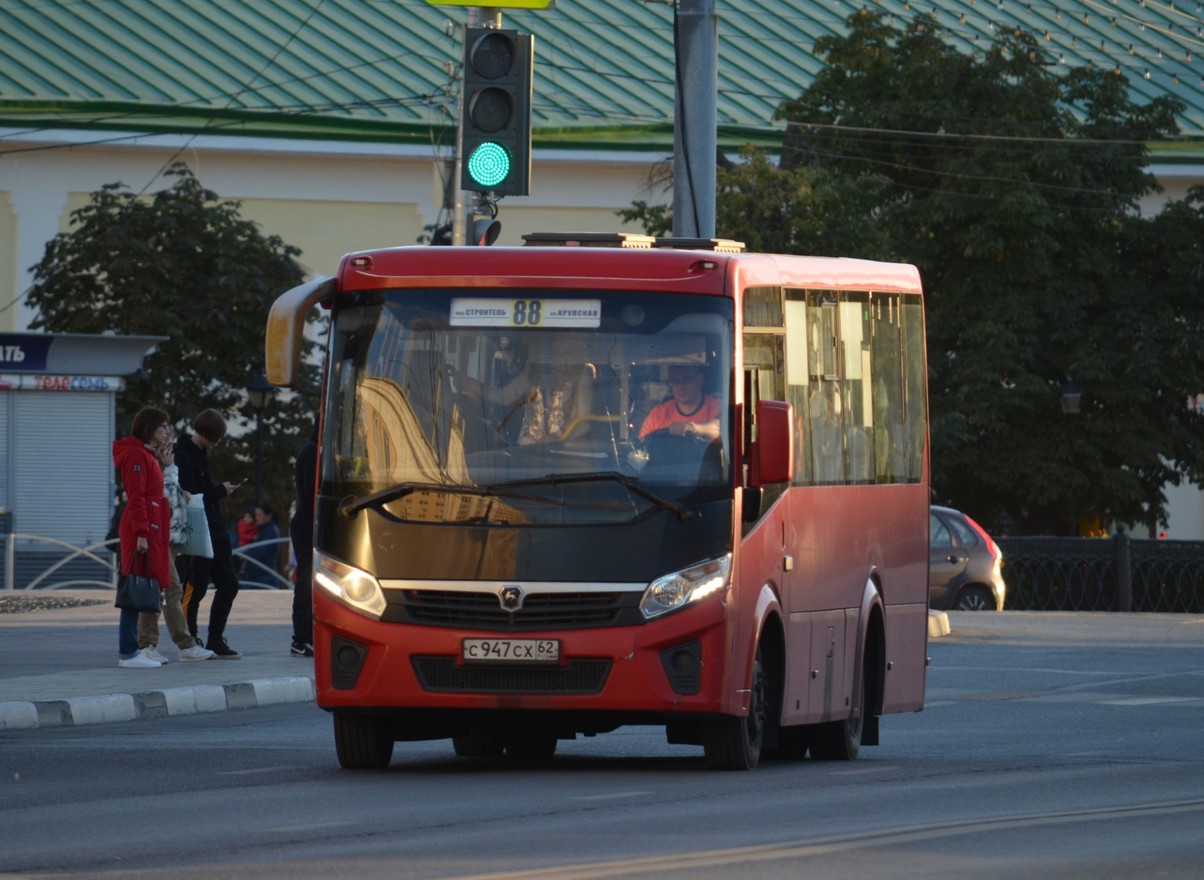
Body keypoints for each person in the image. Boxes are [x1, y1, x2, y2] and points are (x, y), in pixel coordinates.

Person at [137, 427, 215, 663]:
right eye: (167, 449)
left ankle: (155, 644)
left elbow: (169, 496)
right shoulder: (157, 468)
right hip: (158, 538)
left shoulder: (159, 468)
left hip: (167, 538)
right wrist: (171, 471)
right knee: (167, 590)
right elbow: (164, 497)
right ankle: (170, 645)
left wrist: (181, 493)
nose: (171, 452)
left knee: (164, 590)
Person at [174, 408, 244, 659]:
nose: (215, 443)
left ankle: (215, 639)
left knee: (229, 584)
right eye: (214, 437)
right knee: (196, 587)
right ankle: (189, 641)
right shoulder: (182, 456)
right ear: (205, 432)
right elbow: (192, 497)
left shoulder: (201, 455)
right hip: (199, 532)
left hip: (215, 529)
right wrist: (221, 491)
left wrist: (218, 492)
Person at [112, 406, 173, 669]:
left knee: (142, 582)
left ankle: (135, 648)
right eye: (162, 426)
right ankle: (128, 652)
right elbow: (135, 497)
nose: (165, 431)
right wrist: (141, 534)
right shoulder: (137, 455)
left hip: (149, 525)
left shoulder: (145, 454)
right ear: (150, 428)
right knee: (134, 586)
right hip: (142, 528)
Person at [289, 422, 318, 657]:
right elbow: (310, 492)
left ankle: (308, 635)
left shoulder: (315, 449)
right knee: (306, 580)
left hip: (311, 522)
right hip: (307, 523)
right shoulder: (311, 451)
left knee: (313, 582)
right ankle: (300, 638)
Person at [638, 364, 721, 441]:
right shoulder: (657, 415)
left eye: (686, 380)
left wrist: (692, 428)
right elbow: (642, 449)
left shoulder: (718, 406)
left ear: (700, 380)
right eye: (674, 381)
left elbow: (719, 429)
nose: (680, 387)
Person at [243, 503, 281, 587]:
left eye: (260, 515)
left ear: (269, 516)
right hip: (254, 574)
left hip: (265, 575)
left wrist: (245, 554)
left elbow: (262, 550)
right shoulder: (259, 530)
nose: (257, 518)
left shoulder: (272, 531)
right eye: (256, 515)